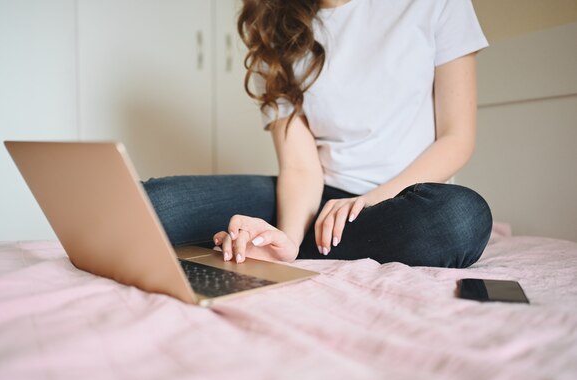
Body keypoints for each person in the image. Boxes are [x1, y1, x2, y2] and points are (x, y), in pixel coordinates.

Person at [143, 0, 493, 268]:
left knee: (460, 218)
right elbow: (300, 168)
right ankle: (290, 243)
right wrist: (287, 242)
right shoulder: (276, 31)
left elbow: (456, 138)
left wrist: (368, 201)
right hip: (314, 197)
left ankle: (299, 243)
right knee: (150, 203)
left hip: (401, 201)